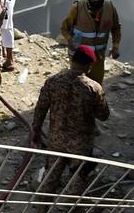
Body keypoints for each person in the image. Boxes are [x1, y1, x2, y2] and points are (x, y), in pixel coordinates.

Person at [32, 45, 110, 198]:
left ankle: (42, 208)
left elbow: (40, 109)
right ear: (89, 65)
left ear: (72, 60)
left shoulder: (53, 81)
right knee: (77, 180)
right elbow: (103, 115)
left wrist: (36, 130)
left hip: (56, 140)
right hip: (80, 144)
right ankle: (73, 207)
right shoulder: (93, 88)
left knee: (50, 177)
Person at [60, 0, 121, 84]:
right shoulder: (78, 8)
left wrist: (115, 46)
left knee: (96, 85)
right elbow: (64, 28)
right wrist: (70, 40)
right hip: (79, 58)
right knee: (78, 85)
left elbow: (116, 28)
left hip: (98, 57)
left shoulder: (110, 8)